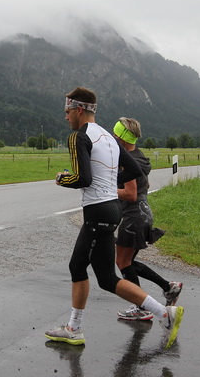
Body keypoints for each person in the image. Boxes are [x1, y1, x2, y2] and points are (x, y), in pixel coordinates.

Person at [44, 87, 184, 349]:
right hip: (111, 210)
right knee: (100, 275)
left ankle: (161, 315)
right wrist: (109, 181)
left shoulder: (78, 137)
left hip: (97, 211)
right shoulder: (108, 137)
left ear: (79, 109)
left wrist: (63, 179)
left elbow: (83, 178)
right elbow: (135, 171)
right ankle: (76, 328)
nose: (66, 117)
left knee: (86, 270)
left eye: (67, 111)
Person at [113, 117, 183, 321]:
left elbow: (130, 194)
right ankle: (168, 287)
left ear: (121, 138)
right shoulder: (139, 156)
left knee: (122, 262)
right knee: (127, 262)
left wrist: (106, 189)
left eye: (115, 135)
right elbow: (146, 185)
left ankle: (141, 307)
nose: (112, 138)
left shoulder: (127, 160)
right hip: (143, 213)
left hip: (133, 216)